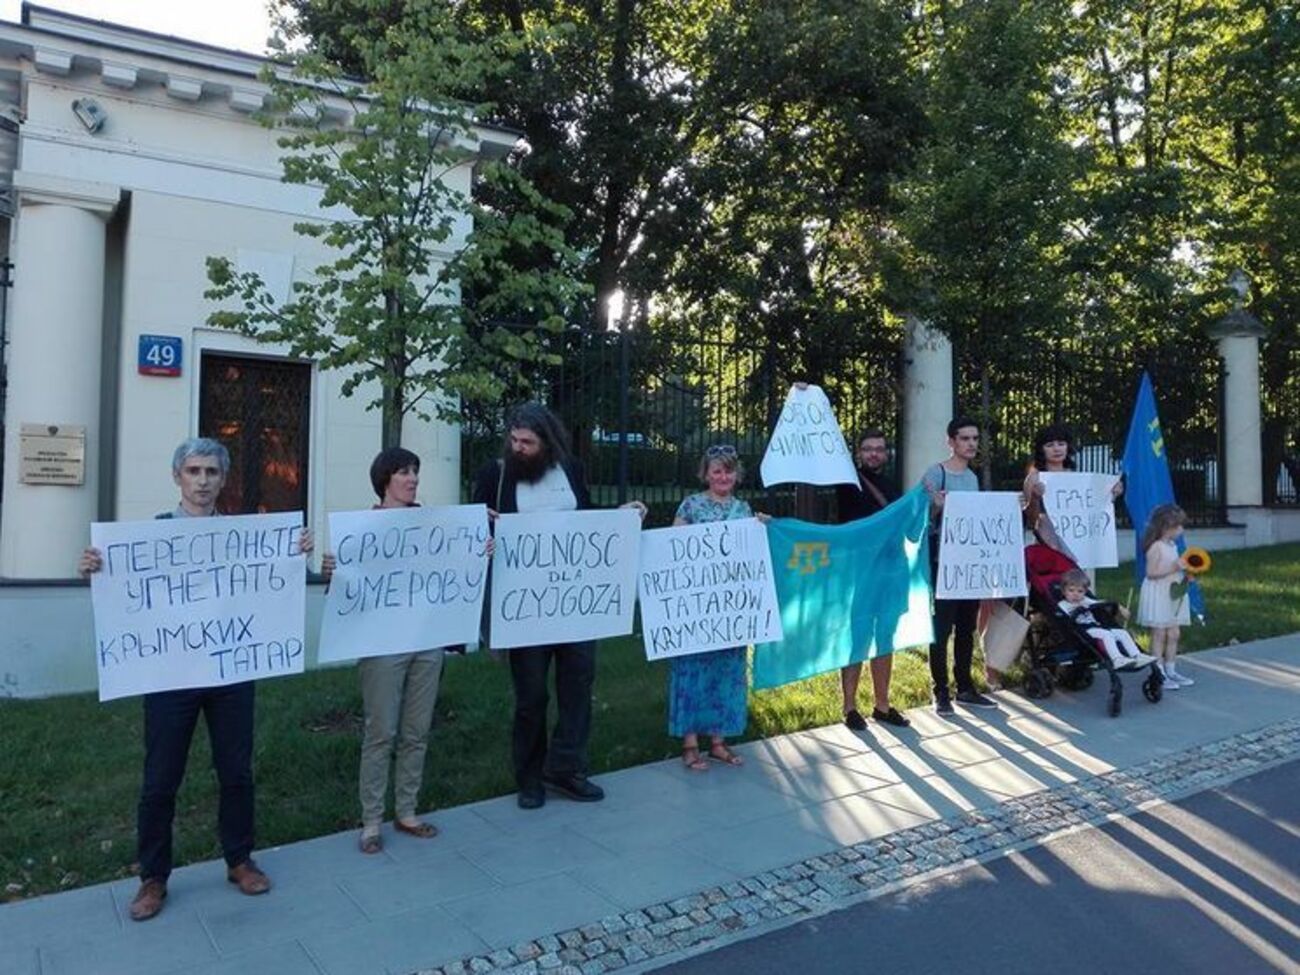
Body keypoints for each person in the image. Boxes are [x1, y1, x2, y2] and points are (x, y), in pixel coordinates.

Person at [77, 437, 314, 921]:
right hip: (170, 676)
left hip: (230, 672)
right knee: (161, 778)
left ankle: (239, 859)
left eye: (211, 472)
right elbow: (124, 590)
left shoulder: (244, 536)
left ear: (223, 479)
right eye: (193, 471)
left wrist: (295, 553)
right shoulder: (152, 537)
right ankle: (153, 877)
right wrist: (95, 569)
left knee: (236, 770)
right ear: (177, 478)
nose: (202, 481)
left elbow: (269, 585)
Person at [472, 403, 646, 809]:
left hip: (575, 608)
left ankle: (566, 767)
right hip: (525, 608)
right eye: (513, 440)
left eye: (527, 442)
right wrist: (485, 525)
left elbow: (585, 524)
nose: (518, 448)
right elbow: (475, 531)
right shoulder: (495, 475)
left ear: (547, 443)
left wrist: (620, 517)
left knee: (578, 688)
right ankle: (529, 778)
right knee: (531, 697)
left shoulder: (571, 471)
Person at [320, 447, 452, 854]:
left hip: (425, 641)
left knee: (417, 730)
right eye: (403, 472)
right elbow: (347, 590)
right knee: (381, 732)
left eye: (415, 472)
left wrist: (474, 554)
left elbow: (451, 569)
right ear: (384, 480)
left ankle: (407, 810)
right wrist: (334, 574)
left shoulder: (431, 525)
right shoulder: (362, 529)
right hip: (381, 646)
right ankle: (372, 820)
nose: (412, 479)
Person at [669, 445, 765, 770]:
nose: (723, 477)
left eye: (728, 471)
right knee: (693, 669)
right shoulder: (691, 505)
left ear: (737, 475)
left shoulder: (744, 509)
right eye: (716, 471)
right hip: (698, 606)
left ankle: (719, 742)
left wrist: (762, 528)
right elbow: (674, 545)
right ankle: (690, 744)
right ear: (706, 474)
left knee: (727, 671)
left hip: (731, 609)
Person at [921, 417, 999, 715]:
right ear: (951, 441)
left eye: (975, 439)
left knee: (966, 626)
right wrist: (935, 506)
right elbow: (919, 514)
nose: (971, 444)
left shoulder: (972, 478)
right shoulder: (936, 472)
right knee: (941, 629)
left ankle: (964, 686)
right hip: (944, 564)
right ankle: (940, 691)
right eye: (965, 438)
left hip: (969, 565)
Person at [834, 430, 909, 729]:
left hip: (892, 569)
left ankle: (882, 704)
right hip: (860, 571)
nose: (874, 454)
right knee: (858, 637)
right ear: (858, 454)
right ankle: (849, 707)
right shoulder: (847, 481)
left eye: (879, 449)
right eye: (868, 449)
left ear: (887, 453)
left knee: (885, 638)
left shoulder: (893, 487)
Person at [1022, 423, 1124, 555]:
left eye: (1061, 443)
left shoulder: (1077, 477)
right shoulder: (1034, 479)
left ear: (1067, 446)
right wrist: (1035, 497)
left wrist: (1112, 494)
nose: (1056, 449)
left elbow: (1094, 509)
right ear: (1041, 449)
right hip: (1048, 545)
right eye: (1050, 445)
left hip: (1080, 546)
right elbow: (1031, 519)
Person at [1137, 503, 1193, 688]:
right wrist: (1175, 567)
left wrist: (1185, 575)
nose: (1181, 529)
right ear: (1166, 527)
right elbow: (1151, 572)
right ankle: (1158, 672)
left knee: (1174, 633)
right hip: (1159, 592)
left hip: (1172, 592)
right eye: (1178, 526)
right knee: (1159, 633)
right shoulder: (1156, 547)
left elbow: (1174, 567)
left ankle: (1171, 669)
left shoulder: (1172, 545)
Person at [1057, 568, 1155, 670]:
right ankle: (1117, 659)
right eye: (1071, 590)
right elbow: (1062, 619)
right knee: (1106, 634)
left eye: (1080, 591)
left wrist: (1119, 606)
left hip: (1096, 626)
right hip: (1082, 630)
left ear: (1085, 592)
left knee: (1121, 632)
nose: (1075, 594)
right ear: (1064, 591)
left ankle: (1137, 655)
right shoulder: (1063, 605)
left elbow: (1100, 602)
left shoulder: (1085, 600)